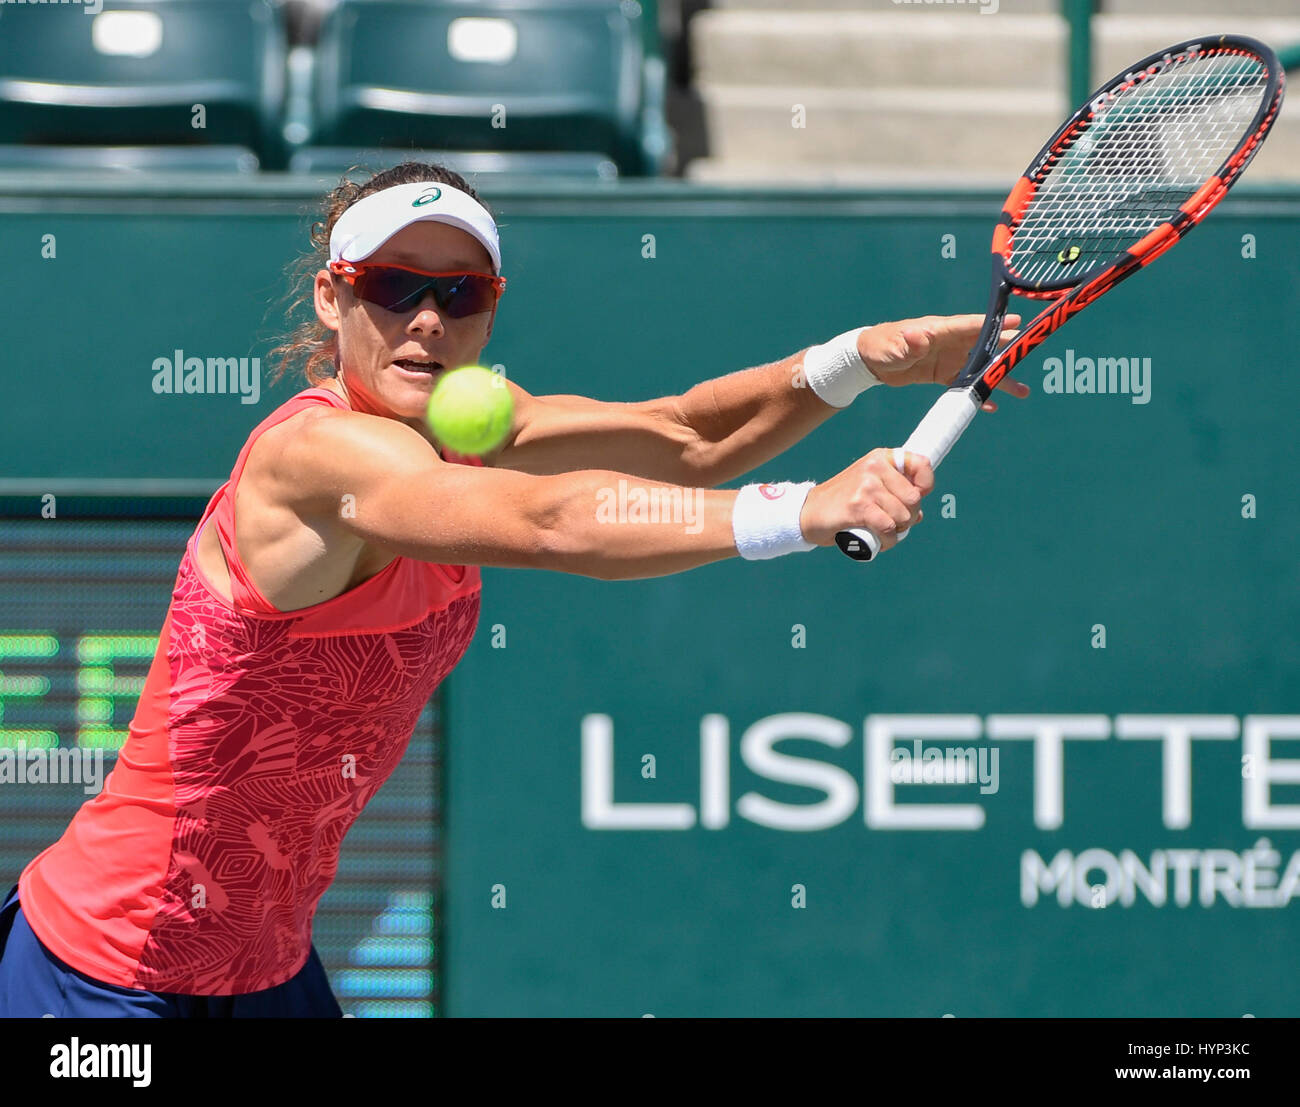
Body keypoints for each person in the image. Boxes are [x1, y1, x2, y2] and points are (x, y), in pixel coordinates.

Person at [0, 161, 1025, 1016]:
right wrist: (800, 510)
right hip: (102, 971)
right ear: (332, 296)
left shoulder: (468, 424)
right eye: (395, 286)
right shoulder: (316, 461)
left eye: (461, 293)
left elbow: (686, 436)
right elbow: (552, 520)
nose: (427, 322)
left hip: (265, 972)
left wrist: (862, 359)